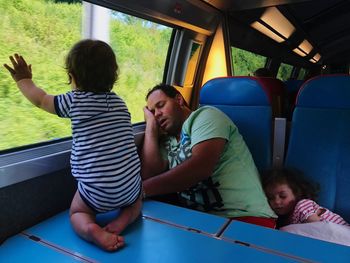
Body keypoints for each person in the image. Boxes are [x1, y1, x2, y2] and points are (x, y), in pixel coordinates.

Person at [3, 39, 142, 251]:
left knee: (78, 212)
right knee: (136, 202)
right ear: (113, 76)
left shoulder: (74, 101)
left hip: (97, 193)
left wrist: (23, 80)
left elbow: (40, 100)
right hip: (129, 188)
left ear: (72, 77)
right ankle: (122, 221)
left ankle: (92, 230)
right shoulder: (120, 103)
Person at [141, 84, 276, 228]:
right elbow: (149, 174)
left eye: (160, 105)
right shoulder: (168, 142)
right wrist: (150, 127)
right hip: (202, 222)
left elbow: (201, 166)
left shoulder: (205, 116)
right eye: (152, 112)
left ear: (179, 100)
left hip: (244, 217)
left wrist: (141, 190)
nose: (157, 114)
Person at [262, 168, 349, 228]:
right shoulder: (285, 220)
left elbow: (316, 227)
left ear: (297, 193)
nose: (276, 201)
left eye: (283, 196)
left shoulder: (303, 205)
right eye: (270, 198)